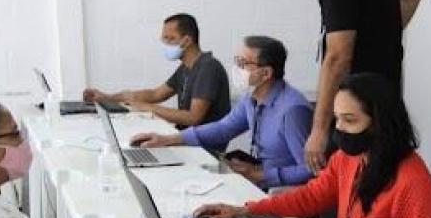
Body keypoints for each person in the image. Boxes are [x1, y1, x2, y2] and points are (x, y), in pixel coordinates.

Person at [194, 72, 431, 218]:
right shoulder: (349, 158)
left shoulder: (411, 181)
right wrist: (245, 211)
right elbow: (311, 197)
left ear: (380, 123)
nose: (339, 129)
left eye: (350, 120)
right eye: (336, 119)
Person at [278, 0, 424, 173]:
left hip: (355, 111)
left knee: (346, 191)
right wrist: (388, 30)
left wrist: (319, 130)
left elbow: (337, 56)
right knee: (380, 181)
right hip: (387, 101)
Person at [130, 35, 313, 190]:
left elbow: (309, 169)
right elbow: (224, 128)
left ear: (265, 73)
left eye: (243, 63)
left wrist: (260, 175)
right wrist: (169, 139)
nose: (237, 69)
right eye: (236, 61)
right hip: (258, 182)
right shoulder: (251, 97)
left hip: (281, 192)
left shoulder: (292, 110)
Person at [83, 13, 230, 128]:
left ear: (187, 40)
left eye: (169, 38)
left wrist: (147, 108)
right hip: (184, 137)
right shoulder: (186, 68)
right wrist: (107, 97)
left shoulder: (207, 67)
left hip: (204, 148)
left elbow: (193, 117)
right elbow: (155, 94)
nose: (165, 43)